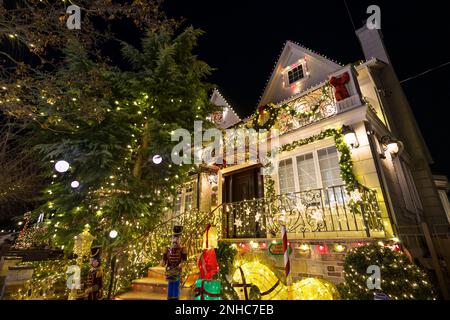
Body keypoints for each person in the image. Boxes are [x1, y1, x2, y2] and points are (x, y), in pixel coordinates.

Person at [163, 226, 187, 300]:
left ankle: (175, 297)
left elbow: (184, 260)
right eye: (174, 238)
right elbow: (164, 260)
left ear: (180, 239)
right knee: (170, 283)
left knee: (176, 283)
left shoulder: (183, 249)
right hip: (170, 269)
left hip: (177, 270)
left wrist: (181, 264)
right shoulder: (168, 249)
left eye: (177, 238)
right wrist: (164, 263)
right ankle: (169, 297)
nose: (175, 240)